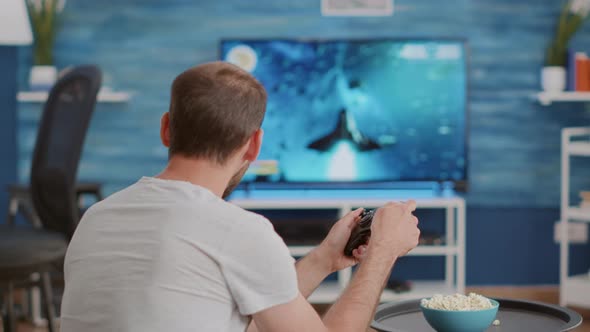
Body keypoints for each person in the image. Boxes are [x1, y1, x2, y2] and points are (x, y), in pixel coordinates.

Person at [60, 61, 420, 332]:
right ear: (254, 145)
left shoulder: (96, 217)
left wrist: (324, 259)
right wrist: (383, 252)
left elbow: (226, 315)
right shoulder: (237, 231)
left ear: (166, 128)